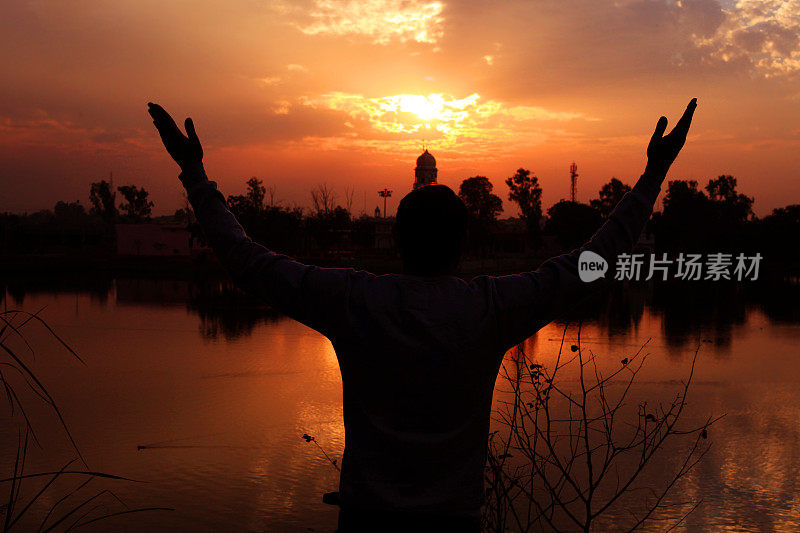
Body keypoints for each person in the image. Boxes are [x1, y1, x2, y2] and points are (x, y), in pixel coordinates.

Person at [148, 98, 697, 532]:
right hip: (454, 524)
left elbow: (249, 262)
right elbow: (592, 264)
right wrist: (653, 176)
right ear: (461, 245)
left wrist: (195, 173)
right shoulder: (489, 309)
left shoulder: (355, 302)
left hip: (365, 521)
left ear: (401, 240)